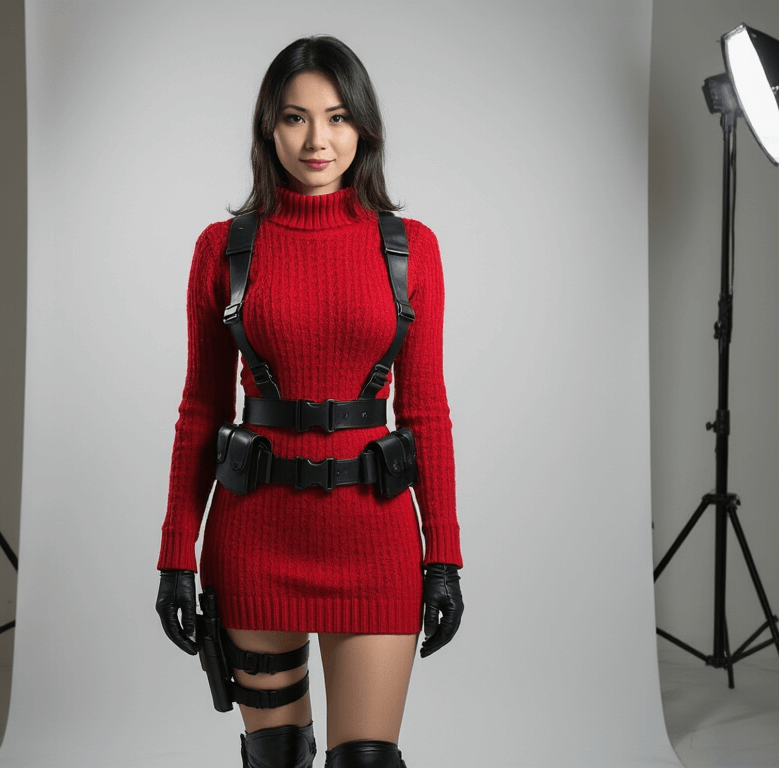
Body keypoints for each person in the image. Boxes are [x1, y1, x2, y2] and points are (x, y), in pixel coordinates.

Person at [155, 36, 463, 768]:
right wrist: (176, 556)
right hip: (256, 537)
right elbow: (200, 410)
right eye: (295, 118)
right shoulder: (223, 249)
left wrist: (443, 556)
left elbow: (426, 413)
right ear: (269, 128)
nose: (318, 140)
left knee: (367, 760)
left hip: (376, 541)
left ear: (364, 128)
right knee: (278, 760)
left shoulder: (411, 248)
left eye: (336, 117)